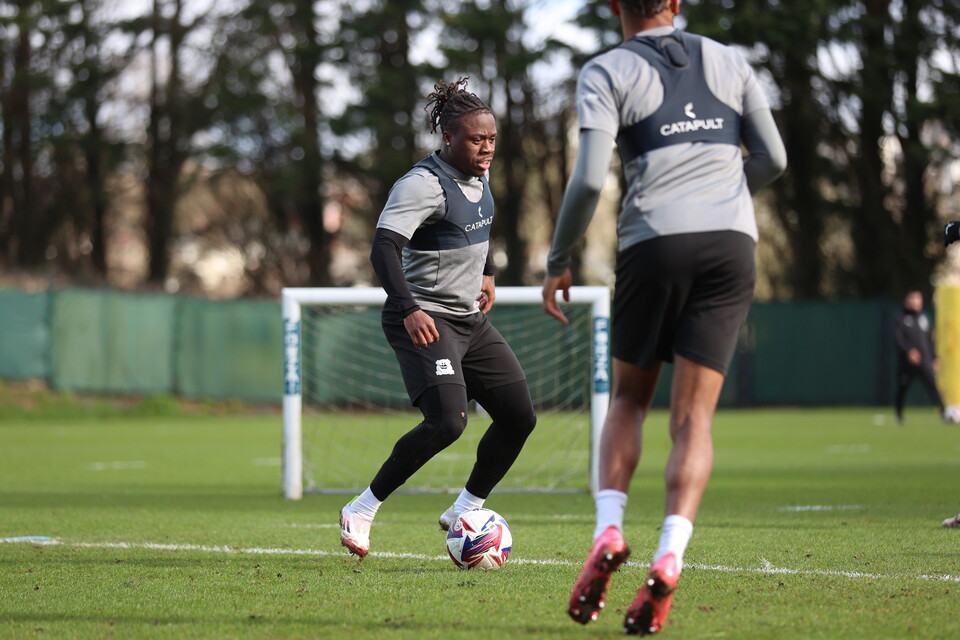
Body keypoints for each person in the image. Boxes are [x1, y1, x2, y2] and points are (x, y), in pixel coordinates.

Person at [541, 0, 786, 635]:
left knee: (628, 397)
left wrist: (558, 257)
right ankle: (671, 555)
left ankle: (608, 531)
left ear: (615, 6)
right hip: (732, 243)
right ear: (675, 5)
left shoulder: (605, 70)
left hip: (655, 241)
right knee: (693, 417)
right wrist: (723, 193)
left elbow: (590, 178)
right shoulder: (730, 60)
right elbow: (775, 158)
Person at [338, 78, 537, 558]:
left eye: (491, 138)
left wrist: (487, 272)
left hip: (470, 319)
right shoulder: (420, 185)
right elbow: (384, 247)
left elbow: (480, 228)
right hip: (426, 318)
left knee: (518, 417)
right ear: (448, 138)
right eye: (475, 139)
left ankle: (464, 508)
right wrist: (409, 308)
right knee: (449, 422)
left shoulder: (481, 174)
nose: (486, 148)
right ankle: (361, 509)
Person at [893, 290, 945, 424]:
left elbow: (929, 340)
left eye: (917, 299)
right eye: (912, 299)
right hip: (907, 363)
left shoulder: (925, 318)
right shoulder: (901, 318)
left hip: (925, 361)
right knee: (902, 388)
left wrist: (934, 357)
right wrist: (909, 351)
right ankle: (899, 414)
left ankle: (944, 412)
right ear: (907, 301)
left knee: (932, 386)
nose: (914, 302)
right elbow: (898, 339)